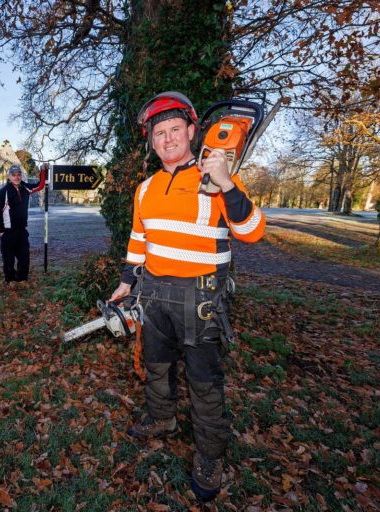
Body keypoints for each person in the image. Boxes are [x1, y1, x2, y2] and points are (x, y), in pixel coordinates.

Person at [108, 91, 265, 502]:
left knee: (204, 381)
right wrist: (127, 281)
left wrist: (228, 184)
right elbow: (139, 239)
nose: (168, 138)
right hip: (154, 293)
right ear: (151, 141)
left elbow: (253, 230)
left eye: (175, 129)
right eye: (159, 133)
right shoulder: (145, 189)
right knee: (157, 366)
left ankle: (210, 455)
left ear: (193, 131)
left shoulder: (215, 176)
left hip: (201, 297)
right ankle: (161, 419)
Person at [0, 163, 47, 283]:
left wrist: (43, 171)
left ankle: (22, 280)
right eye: (14, 175)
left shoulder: (25, 188)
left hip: (22, 231)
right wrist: (1, 231)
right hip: (8, 232)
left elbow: (40, 185)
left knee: (24, 258)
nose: (16, 177)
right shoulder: (4, 192)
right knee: (8, 260)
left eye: (19, 175)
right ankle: (10, 282)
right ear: (9, 176)